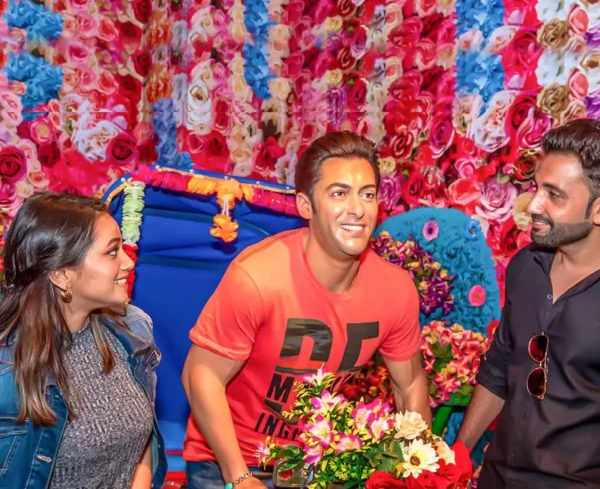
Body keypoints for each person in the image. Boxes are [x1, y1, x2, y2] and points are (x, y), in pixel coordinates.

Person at [181, 131, 431, 489]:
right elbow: (200, 376)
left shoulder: (395, 289)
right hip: (229, 459)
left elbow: (410, 385)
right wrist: (239, 476)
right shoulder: (257, 277)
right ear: (305, 205)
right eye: (339, 193)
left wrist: (417, 471)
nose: (358, 209)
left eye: (367, 194)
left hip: (318, 463)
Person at [457, 119, 600, 488]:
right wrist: (458, 454)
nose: (534, 204)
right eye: (537, 188)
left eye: (555, 195)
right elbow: (499, 366)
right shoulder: (526, 266)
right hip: (496, 476)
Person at [0, 192, 167, 489]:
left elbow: (144, 441)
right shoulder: (6, 369)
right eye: (112, 252)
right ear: (62, 275)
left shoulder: (133, 329)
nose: (128, 262)